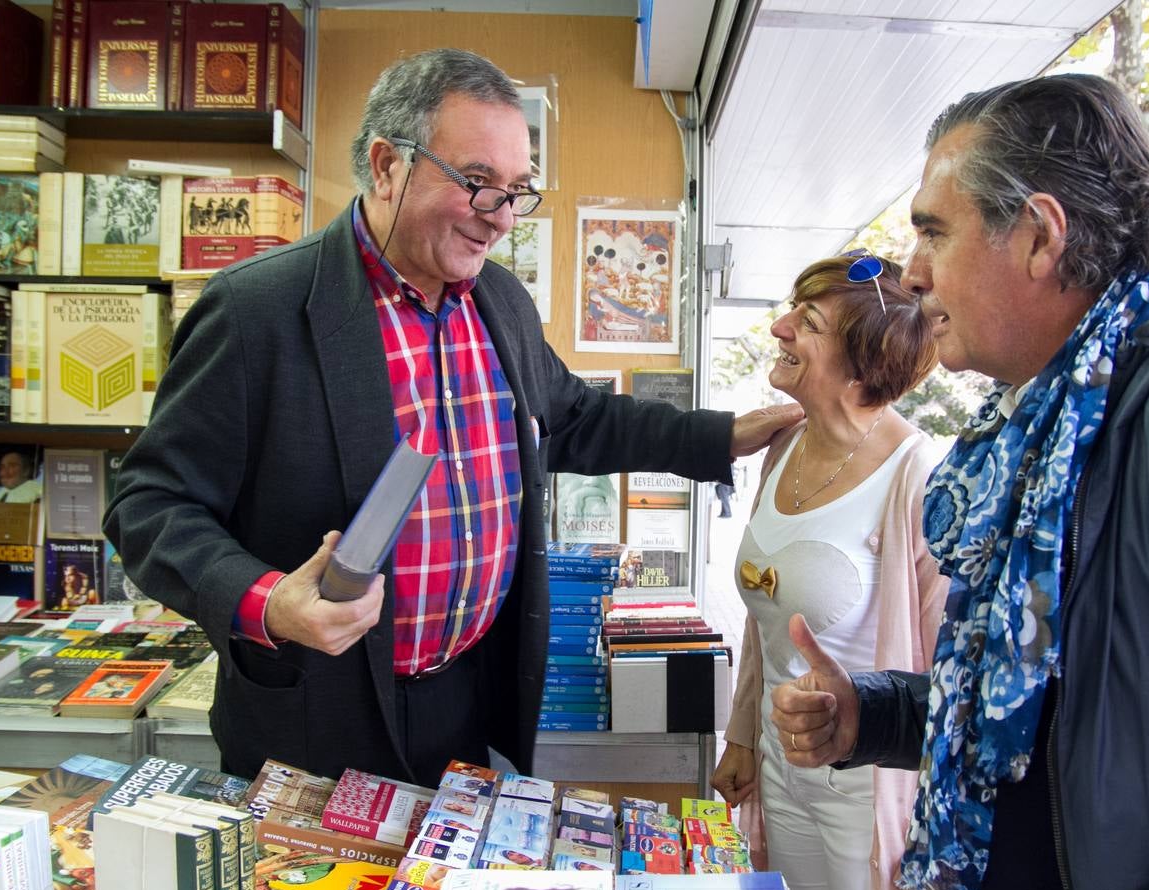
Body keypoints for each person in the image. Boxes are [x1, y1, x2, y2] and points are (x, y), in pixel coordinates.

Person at [103, 48, 799, 788]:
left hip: (464, 704)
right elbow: (149, 505)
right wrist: (267, 601)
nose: (500, 219)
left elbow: (570, 419)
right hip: (314, 714)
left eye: (515, 191)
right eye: (476, 184)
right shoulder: (256, 311)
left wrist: (721, 435)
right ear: (384, 165)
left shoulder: (500, 302)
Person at [769, 73, 1149, 890]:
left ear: (1037, 235)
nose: (913, 273)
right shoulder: (1045, 414)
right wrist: (875, 715)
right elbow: (1055, 717)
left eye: (933, 233)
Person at [709, 254, 947, 890]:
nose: (780, 327)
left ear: (863, 364)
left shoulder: (920, 478)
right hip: (780, 763)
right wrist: (742, 739)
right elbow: (768, 622)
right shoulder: (782, 449)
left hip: (869, 781)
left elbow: (951, 672)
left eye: (808, 321)